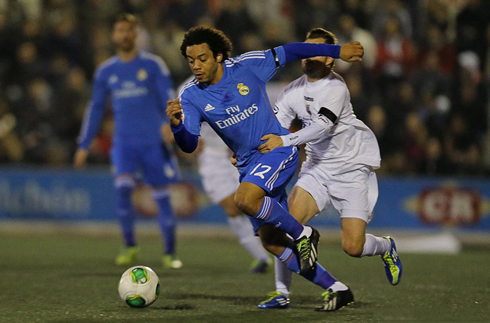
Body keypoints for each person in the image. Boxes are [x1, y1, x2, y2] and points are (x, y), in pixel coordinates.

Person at [167, 25, 364, 310]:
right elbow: (188, 144)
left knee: (245, 200)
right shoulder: (191, 95)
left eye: (202, 58)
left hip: (276, 151)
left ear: (219, 56)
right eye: (191, 60)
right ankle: (336, 287)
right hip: (247, 166)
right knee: (271, 241)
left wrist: (337, 52)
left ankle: (303, 233)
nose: (196, 66)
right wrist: (176, 127)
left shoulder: (248, 66)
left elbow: (293, 49)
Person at [257, 28, 402, 310]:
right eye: (306, 49)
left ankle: (386, 246)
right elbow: (273, 129)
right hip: (317, 168)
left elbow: (320, 127)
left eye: (317, 51)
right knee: (285, 227)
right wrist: (250, 152)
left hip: (351, 168)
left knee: (353, 247)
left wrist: (283, 141)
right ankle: (281, 292)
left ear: (331, 60)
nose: (309, 55)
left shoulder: (336, 88)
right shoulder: (292, 91)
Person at [74, 14, 182, 269]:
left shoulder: (154, 65)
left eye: (128, 30)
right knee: (123, 190)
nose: (124, 35)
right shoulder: (106, 71)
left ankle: (169, 252)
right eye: (119, 30)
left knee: (162, 197)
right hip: (123, 144)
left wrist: (171, 124)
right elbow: (96, 108)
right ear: (114, 35)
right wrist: (84, 143)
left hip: (153, 142)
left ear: (136, 34)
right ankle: (130, 244)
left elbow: (169, 97)